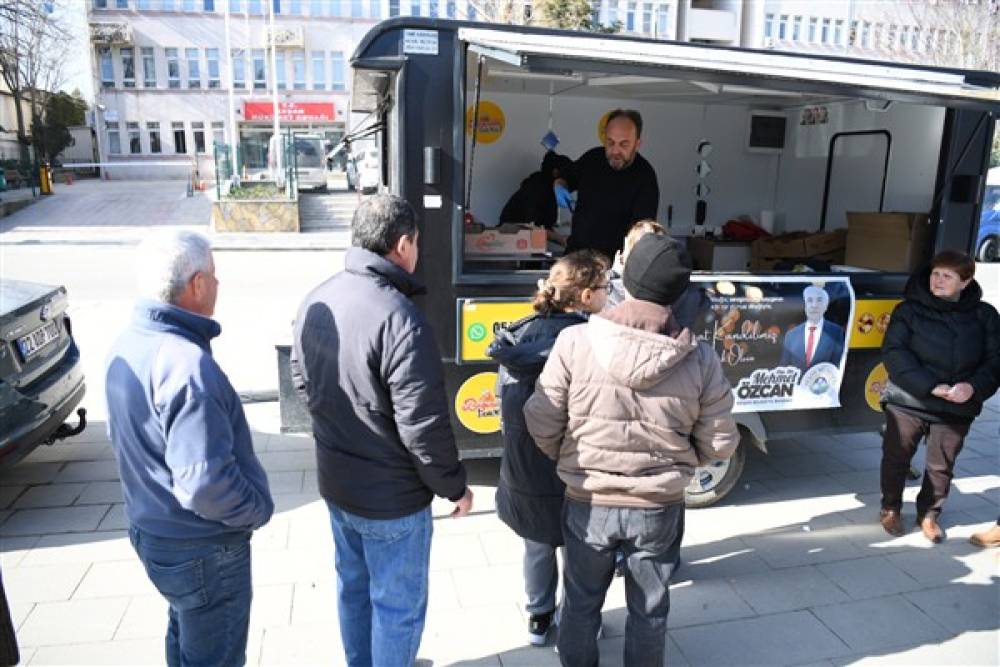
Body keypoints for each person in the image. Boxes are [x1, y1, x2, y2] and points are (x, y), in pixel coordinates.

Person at [524, 234, 740, 667]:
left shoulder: (575, 343)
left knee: (581, 603)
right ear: (677, 291)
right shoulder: (699, 359)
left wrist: (569, 458)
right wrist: (679, 464)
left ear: (629, 278)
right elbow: (720, 442)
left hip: (588, 498)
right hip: (658, 505)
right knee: (650, 610)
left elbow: (540, 420)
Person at [290, 194, 473, 667]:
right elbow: (423, 428)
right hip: (391, 502)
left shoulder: (317, 296)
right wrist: (455, 487)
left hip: (338, 486)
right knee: (396, 607)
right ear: (404, 244)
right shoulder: (401, 320)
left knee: (354, 591)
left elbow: (301, 381)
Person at [105, 230, 274, 667]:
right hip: (202, 548)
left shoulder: (128, 344)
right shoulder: (186, 366)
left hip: (156, 533)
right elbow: (204, 485)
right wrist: (256, 510)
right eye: (215, 275)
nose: (219, 284)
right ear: (196, 284)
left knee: (185, 635)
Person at [487, 250, 610, 647]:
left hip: (523, 468)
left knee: (537, 544)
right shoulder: (588, 340)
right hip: (574, 466)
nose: (610, 293)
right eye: (606, 286)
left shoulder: (516, 335)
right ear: (586, 296)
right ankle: (581, 620)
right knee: (580, 551)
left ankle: (539, 618)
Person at [878, 250, 1000, 542]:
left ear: (966, 281)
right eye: (935, 273)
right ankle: (890, 507)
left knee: (941, 464)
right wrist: (930, 386)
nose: (938, 280)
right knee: (897, 456)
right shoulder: (908, 310)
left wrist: (972, 388)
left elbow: (995, 361)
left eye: (947, 276)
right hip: (909, 399)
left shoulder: (985, 315)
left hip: (957, 404)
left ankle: (929, 514)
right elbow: (894, 353)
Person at [557, 109, 659, 261]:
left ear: (637, 144)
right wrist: (559, 186)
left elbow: (642, 231)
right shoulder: (593, 158)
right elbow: (565, 177)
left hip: (614, 265)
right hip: (576, 256)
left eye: (624, 144)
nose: (615, 151)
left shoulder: (645, 177)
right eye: (610, 143)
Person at [499, 151, 575, 246]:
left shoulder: (549, 191)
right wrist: (561, 239)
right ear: (555, 173)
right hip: (510, 241)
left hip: (524, 244)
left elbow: (543, 226)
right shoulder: (537, 188)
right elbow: (532, 226)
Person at [778, 284, 846, 374]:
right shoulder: (791, 335)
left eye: (819, 301)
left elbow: (838, 365)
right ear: (805, 306)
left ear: (826, 306)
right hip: (796, 387)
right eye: (810, 300)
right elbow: (783, 368)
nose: (814, 305)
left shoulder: (836, 332)